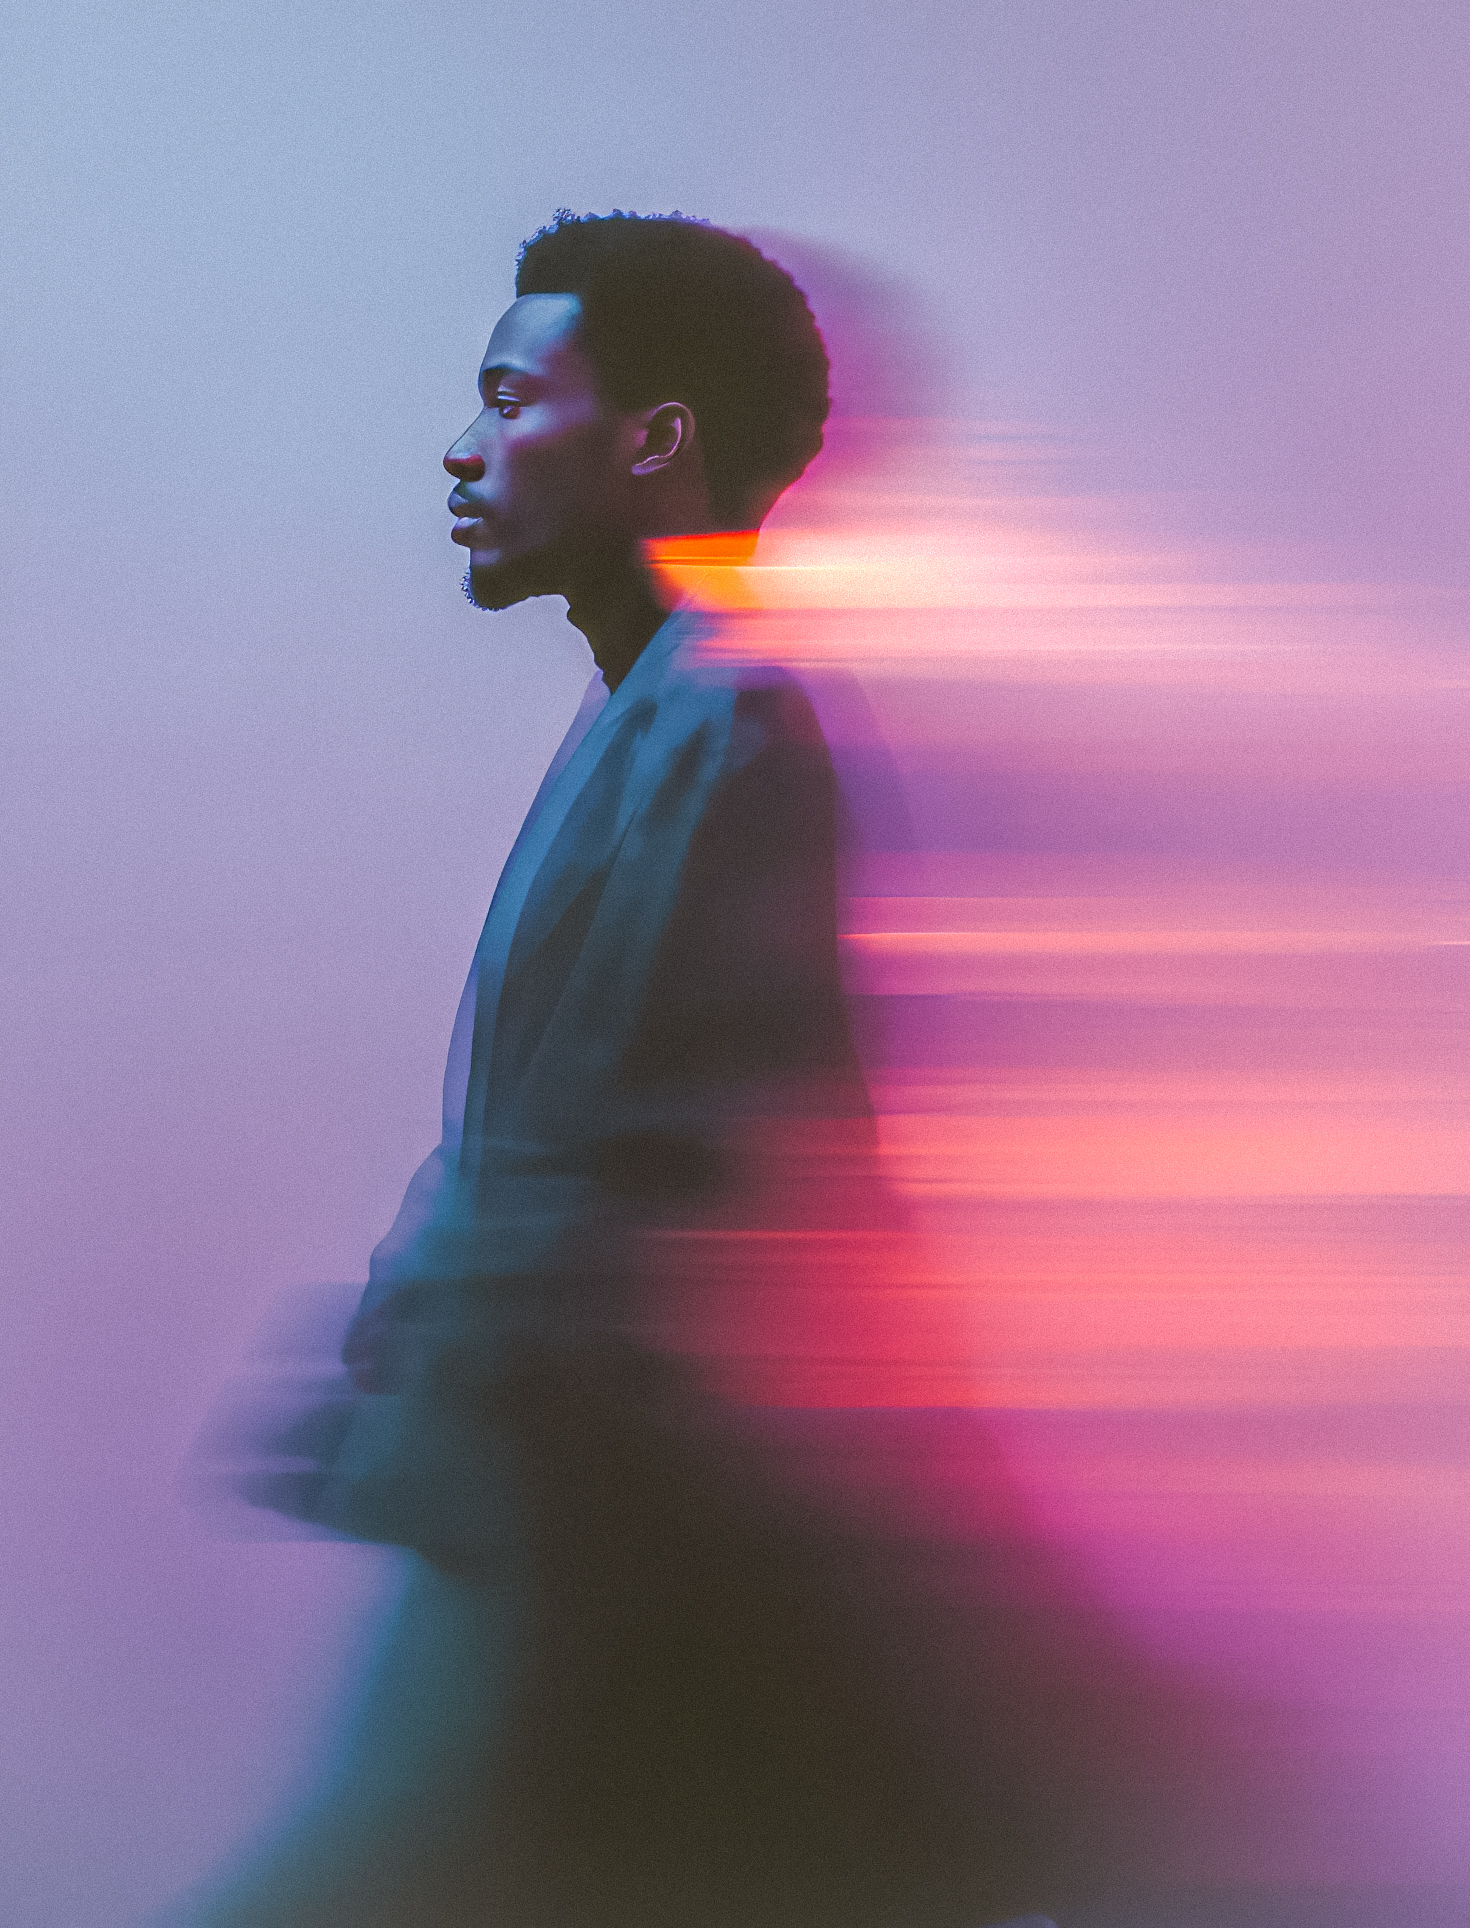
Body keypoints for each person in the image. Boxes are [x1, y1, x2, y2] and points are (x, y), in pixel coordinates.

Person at [176, 214, 1211, 1928]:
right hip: (585, 1537)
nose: (464, 443)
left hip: (608, 1553)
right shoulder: (662, 712)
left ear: (654, 438)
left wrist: (425, 1372)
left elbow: (669, 1173)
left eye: (512, 397)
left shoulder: (725, 723)